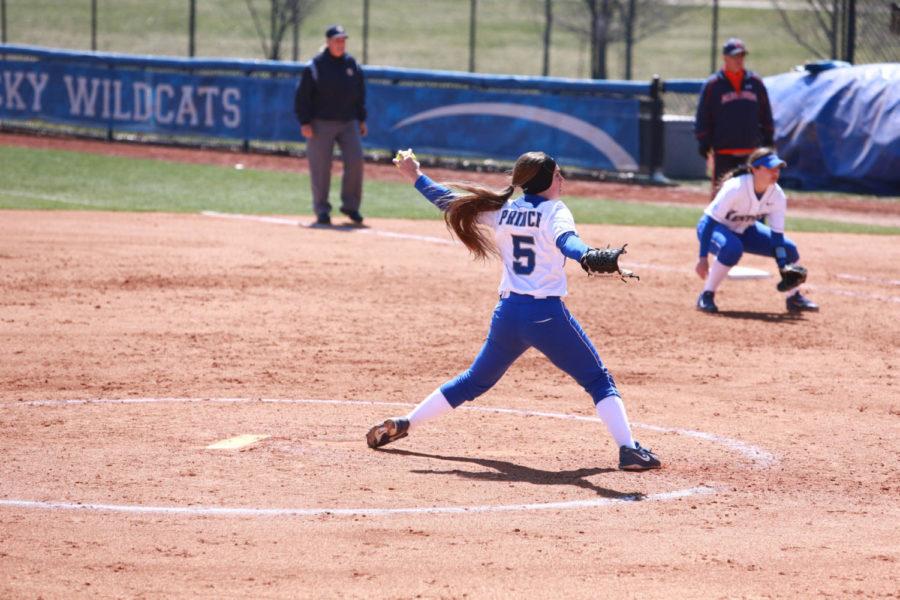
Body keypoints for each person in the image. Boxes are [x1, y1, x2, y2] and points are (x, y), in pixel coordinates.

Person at [364, 150, 661, 472]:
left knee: (473, 380)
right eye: (558, 174)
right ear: (545, 180)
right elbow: (567, 242)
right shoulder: (554, 210)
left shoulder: (504, 211)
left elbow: (449, 201)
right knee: (598, 379)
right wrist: (587, 254)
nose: (562, 179)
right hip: (546, 316)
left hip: (508, 314)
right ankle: (629, 450)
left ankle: (406, 421)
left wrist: (415, 176)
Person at [695, 147, 819, 314]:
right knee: (732, 248)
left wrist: (783, 266)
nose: (775, 172)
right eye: (770, 168)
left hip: (746, 230)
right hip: (714, 229)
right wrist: (702, 258)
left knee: (789, 249)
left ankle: (794, 298)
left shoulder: (777, 195)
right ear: (754, 169)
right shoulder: (735, 187)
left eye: (777, 169)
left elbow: (777, 237)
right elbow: (710, 222)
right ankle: (706, 295)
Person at [294, 24, 368, 226]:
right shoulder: (315, 66)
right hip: (320, 123)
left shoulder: (352, 64)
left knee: (355, 160)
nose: (340, 44)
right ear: (328, 42)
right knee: (321, 167)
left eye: (343, 40)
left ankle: (351, 206)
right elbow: (303, 97)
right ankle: (322, 210)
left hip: (348, 122)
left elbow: (359, 94)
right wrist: (305, 121)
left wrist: (361, 118)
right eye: (337, 40)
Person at [694, 37, 775, 198]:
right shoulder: (713, 85)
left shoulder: (755, 82)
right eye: (735, 56)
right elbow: (703, 115)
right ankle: (717, 224)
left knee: (754, 194)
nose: (739, 60)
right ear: (725, 58)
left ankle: (754, 224)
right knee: (721, 195)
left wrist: (768, 137)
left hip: (750, 151)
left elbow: (765, 112)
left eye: (741, 56)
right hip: (724, 150)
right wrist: (704, 141)